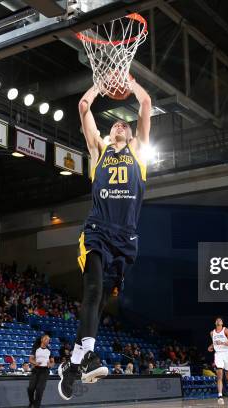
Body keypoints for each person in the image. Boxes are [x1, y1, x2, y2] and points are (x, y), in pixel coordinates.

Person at [57, 76, 151, 401]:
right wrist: (100, 84)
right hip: (97, 230)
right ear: (109, 133)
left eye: (124, 126)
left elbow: (146, 105)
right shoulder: (98, 151)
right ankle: (89, 357)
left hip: (125, 240)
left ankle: (73, 364)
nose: (120, 127)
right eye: (115, 126)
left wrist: (132, 82)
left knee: (100, 305)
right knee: (93, 290)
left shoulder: (138, 152)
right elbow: (83, 106)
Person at [207, 317, 228, 405]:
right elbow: (215, 342)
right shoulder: (212, 333)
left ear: (222, 323)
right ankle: (220, 396)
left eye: (220, 320)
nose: (219, 320)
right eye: (217, 320)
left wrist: (222, 343)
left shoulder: (226, 330)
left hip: (227, 353)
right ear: (215, 323)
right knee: (219, 375)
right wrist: (211, 346)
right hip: (218, 354)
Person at [28, 335, 53, 408]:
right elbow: (30, 359)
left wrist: (50, 364)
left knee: (39, 389)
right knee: (30, 388)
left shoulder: (49, 350)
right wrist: (35, 363)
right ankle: (32, 402)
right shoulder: (36, 348)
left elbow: (52, 362)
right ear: (42, 339)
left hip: (45, 371)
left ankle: (36, 406)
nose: (47, 340)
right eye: (46, 339)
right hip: (36, 370)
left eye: (49, 340)